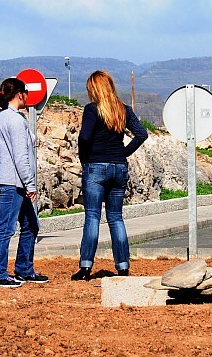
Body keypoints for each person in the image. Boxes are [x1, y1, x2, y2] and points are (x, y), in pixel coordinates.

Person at [71, 70, 148, 281]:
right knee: (116, 218)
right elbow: (142, 134)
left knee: (93, 216)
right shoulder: (124, 110)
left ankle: (86, 266)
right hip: (119, 168)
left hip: (96, 166)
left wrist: (84, 159)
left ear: (94, 89)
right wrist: (123, 152)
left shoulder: (92, 110)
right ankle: (122, 266)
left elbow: (84, 138)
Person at [0, 77, 49, 287]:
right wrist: (30, 185)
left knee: (31, 224)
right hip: (13, 181)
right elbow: (21, 156)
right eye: (27, 93)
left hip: (4, 178)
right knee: (6, 227)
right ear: (20, 94)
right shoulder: (15, 120)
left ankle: (23, 270)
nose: (29, 97)